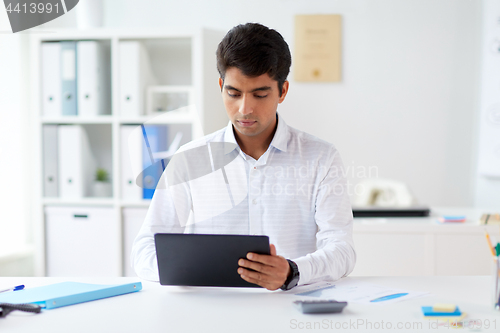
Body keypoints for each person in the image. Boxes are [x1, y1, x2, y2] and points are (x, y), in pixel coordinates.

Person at [131, 23, 356, 291]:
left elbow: (342, 250)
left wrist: (292, 271)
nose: (244, 109)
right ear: (220, 86)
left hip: (290, 307)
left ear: (282, 91)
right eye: (233, 93)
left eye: (260, 94)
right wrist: (186, 268)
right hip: (210, 311)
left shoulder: (321, 158)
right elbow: (144, 248)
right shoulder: (190, 160)